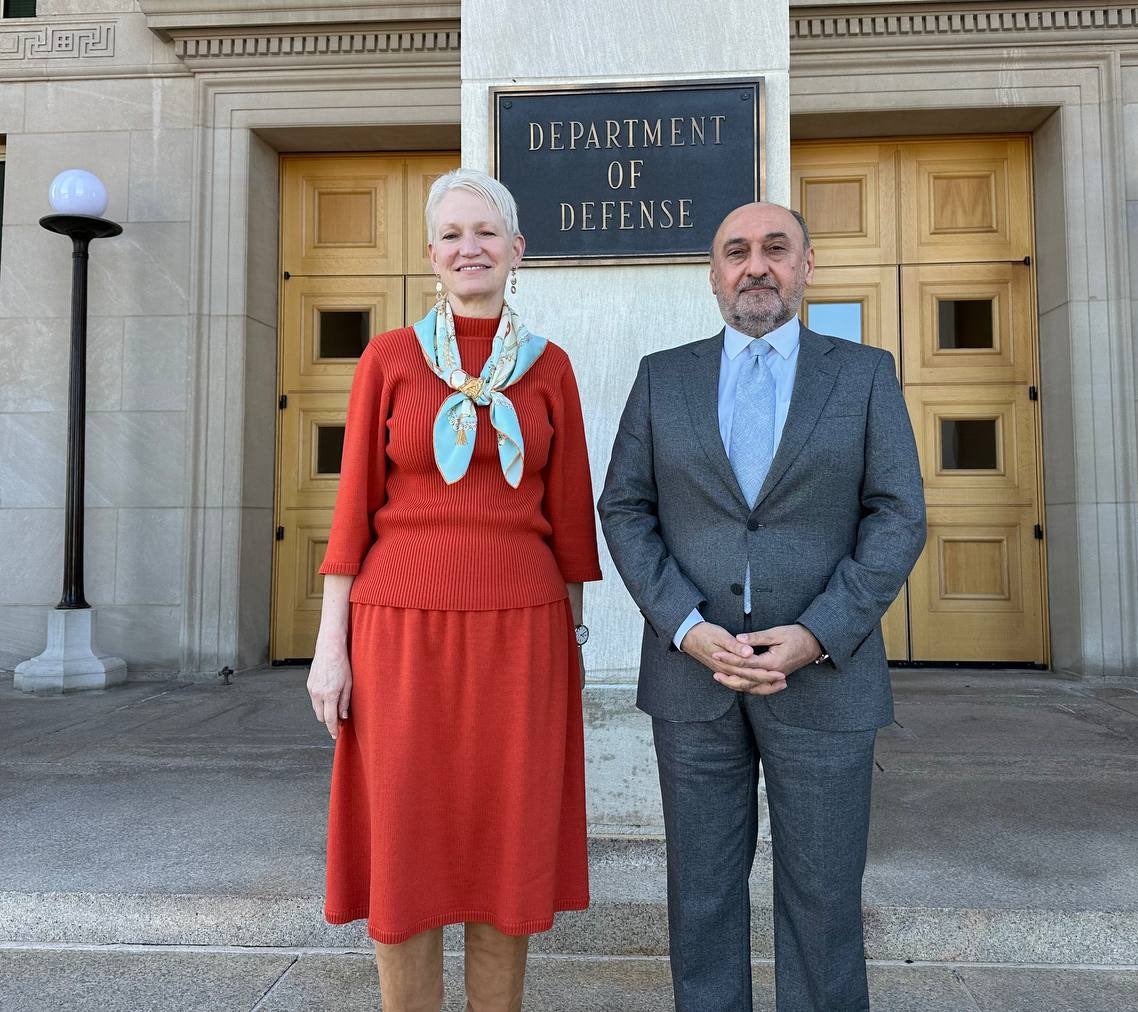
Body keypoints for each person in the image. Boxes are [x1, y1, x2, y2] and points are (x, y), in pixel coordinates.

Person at [598, 201, 927, 1011]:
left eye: (775, 249)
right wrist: (685, 626)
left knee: (822, 899)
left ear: (806, 265)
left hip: (826, 680)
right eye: (736, 252)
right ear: (713, 275)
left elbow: (898, 515)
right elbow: (625, 508)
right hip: (692, 681)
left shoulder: (863, 374)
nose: (756, 266)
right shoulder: (662, 376)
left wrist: (818, 633)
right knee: (702, 897)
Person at [306, 167, 602, 1012]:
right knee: (407, 833)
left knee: (504, 839)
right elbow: (353, 510)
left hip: (523, 630)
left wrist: (570, 651)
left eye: (486, 233)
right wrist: (333, 650)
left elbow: (570, 518)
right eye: (451, 235)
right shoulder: (389, 359)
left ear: (517, 251)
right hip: (397, 628)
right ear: (430, 256)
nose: (469, 248)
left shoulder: (551, 369)